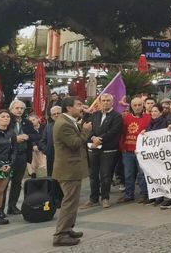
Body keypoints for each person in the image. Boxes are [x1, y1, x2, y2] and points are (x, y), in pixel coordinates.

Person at [52, 97, 93, 246]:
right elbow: (75, 143)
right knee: (69, 202)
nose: (82, 107)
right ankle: (60, 235)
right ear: (69, 108)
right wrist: (86, 131)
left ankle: (67, 228)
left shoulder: (69, 121)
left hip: (71, 169)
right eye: (79, 105)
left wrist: (84, 123)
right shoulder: (63, 124)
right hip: (68, 170)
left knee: (72, 202)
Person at [80, 93, 123, 209]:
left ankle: (105, 198)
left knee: (105, 175)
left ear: (112, 102)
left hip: (108, 150)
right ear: (100, 102)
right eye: (103, 100)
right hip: (94, 149)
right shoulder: (95, 114)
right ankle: (93, 199)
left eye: (108, 100)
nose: (105, 102)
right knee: (93, 175)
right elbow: (91, 129)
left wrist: (100, 139)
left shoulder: (117, 116)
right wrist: (93, 138)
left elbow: (114, 131)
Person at [4, 99, 38, 215]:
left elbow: (36, 135)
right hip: (8, 156)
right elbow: (0, 137)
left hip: (22, 155)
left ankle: (12, 207)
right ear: (11, 109)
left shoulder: (27, 122)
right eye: (17, 108)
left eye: (21, 108)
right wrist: (15, 139)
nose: (19, 110)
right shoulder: (7, 120)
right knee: (4, 182)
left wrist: (27, 136)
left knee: (17, 182)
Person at [119, 97, 152, 204]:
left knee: (142, 174)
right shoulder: (126, 118)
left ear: (142, 105)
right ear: (131, 106)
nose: (137, 107)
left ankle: (144, 194)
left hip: (141, 151)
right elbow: (121, 133)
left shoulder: (149, 118)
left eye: (139, 105)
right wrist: (122, 147)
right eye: (135, 105)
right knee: (128, 174)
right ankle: (129, 194)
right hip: (127, 151)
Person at [0, 110, 14, 231]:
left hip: (7, 166)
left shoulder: (12, 133)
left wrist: (10, 163)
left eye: (8, 116)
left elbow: (14, 150)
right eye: (3, 116)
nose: (6, 118)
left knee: (1, 191)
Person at [39, 106, 62, 177]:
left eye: (58, 113)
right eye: (54, 114)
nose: (56, 115)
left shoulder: (68, 125)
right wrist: (47, 151)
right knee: (51, 179)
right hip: (51, 158)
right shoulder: (48, 126)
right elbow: (42, 141)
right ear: (51, 116)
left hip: (64, 158)